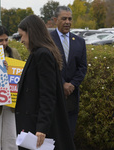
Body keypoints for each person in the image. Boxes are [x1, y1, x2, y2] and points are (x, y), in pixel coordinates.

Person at [15, 14, 76, 150]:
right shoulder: (39, 53)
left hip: (38, 126)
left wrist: (41, 127)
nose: (21, 40)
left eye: (22, 35)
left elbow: (47, 94)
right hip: (34, 123)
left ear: (31, 33)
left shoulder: (42, 55)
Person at [50, 6, 87, 137]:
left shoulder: (80, 42)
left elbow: (82, 67)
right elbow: (47, 68)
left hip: (71, 97)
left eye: (70, 19)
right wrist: (62, 83)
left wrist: (72, 85)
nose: (67, 22)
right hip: (52, 96)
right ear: (55, 20)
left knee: (68, 135)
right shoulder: (47, 40)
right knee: (53, 136)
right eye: (64, 18)